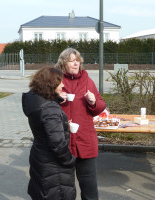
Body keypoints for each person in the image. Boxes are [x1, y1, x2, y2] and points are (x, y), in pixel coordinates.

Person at [55, 48, 106, 200]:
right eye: (71, 60)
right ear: (64, 63)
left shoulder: (87, 80)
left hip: (85, 140)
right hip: (63, 141)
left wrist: (93, 101)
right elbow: (43, 107)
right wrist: (55, 98)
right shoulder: (56, 80)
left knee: (89, 185)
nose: (76, 63)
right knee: (64, 186)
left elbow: (101, 106)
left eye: (77, 60)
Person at [22, 66, 76, 200]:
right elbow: (57, 143)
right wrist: (69, 160)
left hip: (40, 156)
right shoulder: (50, 110)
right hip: (53, 165)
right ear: (51, 84)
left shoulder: (34, 99)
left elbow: (45, 123)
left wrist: (56, 100)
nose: (63, 85)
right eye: (60, 82)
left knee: (42, 193)